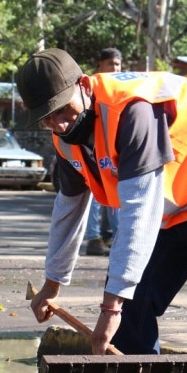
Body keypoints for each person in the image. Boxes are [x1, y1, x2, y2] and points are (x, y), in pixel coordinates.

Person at [16, 48, 187, 355]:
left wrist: (110, 309)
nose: (59, 125)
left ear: (84, 85)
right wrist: (52, 284)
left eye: (63, 110)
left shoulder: (132, 111)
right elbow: (69, 210)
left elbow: (138, 213)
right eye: (46, 118)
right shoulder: (66, 140)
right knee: (132, 302)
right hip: (177, 203)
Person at [83, 47, 123, 256]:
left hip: (115, 149)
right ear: (100, 65)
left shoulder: (123, 87)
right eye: (110, 64)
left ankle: (116, 237)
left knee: (115, 195)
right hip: (94, 148)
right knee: (95, 196)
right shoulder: (92, 87)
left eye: (117, 64)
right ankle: (93, 238)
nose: (114, 68)